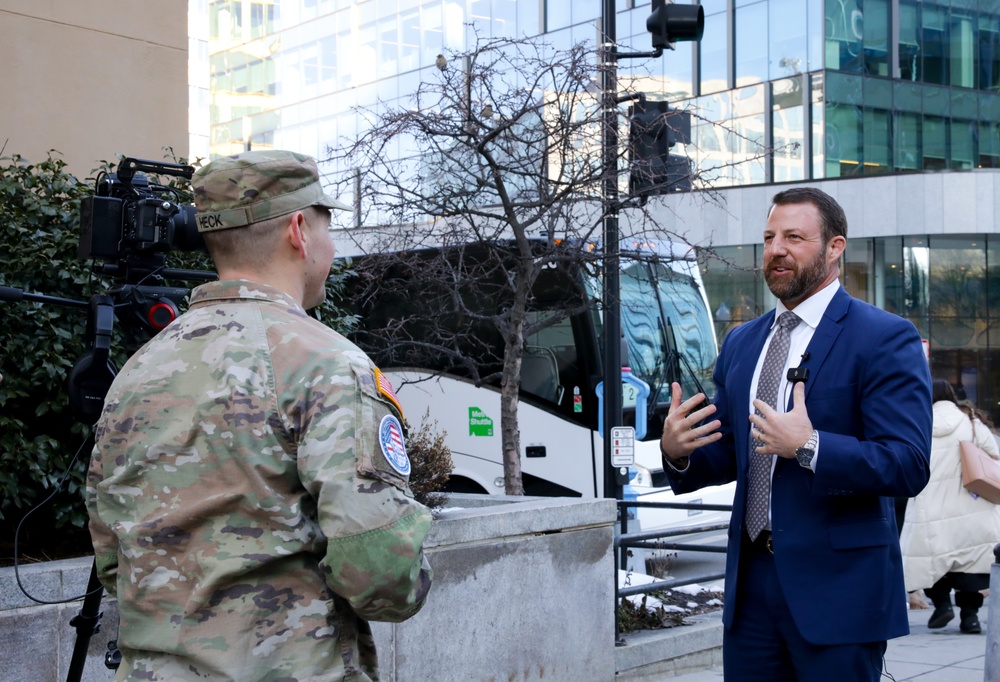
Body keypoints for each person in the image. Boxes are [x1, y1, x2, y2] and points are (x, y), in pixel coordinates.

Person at [86, 150, 433, 680]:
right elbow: (381, 575)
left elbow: (113, 561)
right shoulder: (328, 364)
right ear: (299, 230)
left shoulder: (136, 371)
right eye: (327, 227)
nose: (333, 246)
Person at [659, 187, 931, 681]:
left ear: (834, 247)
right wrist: (678, 451)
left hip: (840, 595)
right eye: (768, 238)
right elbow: (730, 454)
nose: (776, 249)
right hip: (751, 595)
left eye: (794, 237)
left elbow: (908, 463)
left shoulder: (884, 337)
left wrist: (810, 446)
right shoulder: (743, 341)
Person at [900, 379, 1000, 634]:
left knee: (931, 560)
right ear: (952, 396)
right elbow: (994, 456)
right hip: (971, 501)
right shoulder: (972, 424)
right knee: (971, 564)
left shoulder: (918, 426)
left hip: (929, 503)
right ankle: (970, 617)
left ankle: (942, 604)